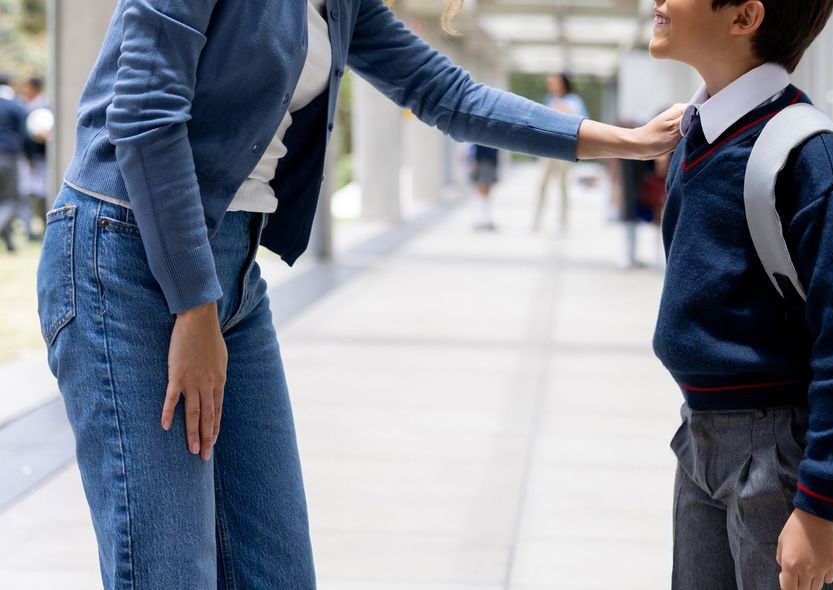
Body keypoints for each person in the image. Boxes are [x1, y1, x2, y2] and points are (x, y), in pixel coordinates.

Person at [35, 0, 683, 588]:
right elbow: (144, 113)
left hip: (228, 270)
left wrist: (624, 141)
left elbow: (446, 93)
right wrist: (193, 304)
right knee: (170, 572)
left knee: (277, 570)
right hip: (125, 257)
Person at [648, 1, 833, 589]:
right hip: (701, 438)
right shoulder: (698, 137)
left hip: (781, 455)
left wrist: (821, 504)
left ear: (744, 17)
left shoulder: (808, 155)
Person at [533, 73, 588, 232]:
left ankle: (563, 221)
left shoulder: (574, 100)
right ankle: (537, 220)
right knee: (542, 184)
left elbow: (582, 120)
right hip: (547, 150)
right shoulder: (548, 99)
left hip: (565, 148)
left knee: (563, 185)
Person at [19, 77, 49, 240]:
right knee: (27, 194)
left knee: (42, 194)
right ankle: (28, 230)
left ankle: (45, 225)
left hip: (42, 157)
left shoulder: (45, 106)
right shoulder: (23, 105)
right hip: (29, 158)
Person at [0, 73, 27, 252]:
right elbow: (26, 134)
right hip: (8, 157)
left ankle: (9, 243)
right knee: (11, 201)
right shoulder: (16, 107)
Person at [469, 143, 500, 231]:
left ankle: (485, 220)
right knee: (481, 193)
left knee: (486, 194)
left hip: (488, 161)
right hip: (482, 160)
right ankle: (480, 220)